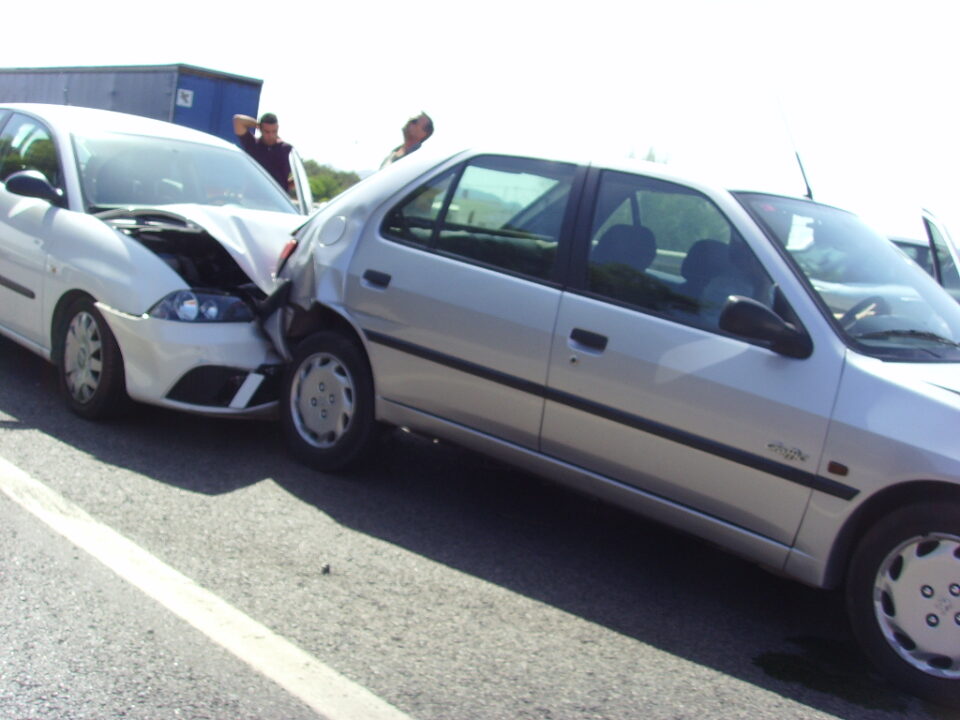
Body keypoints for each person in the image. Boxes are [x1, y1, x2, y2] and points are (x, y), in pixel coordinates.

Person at [233, 112, 293, 190]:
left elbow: (299, 176)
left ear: (278, 128)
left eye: (274, 131)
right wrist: (258, 124)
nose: (271, 135)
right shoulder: (252, 144)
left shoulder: (287, 150)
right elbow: (238, 120)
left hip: (276, 196)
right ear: (260, 129)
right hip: (252, 195)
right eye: (267, 131)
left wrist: (284, 187)